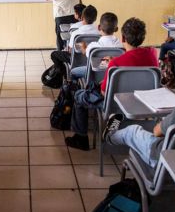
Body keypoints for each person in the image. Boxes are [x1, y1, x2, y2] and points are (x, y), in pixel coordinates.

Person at [65, 17, 159, 150]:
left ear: (123, 38)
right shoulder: (152, 53)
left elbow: (104, 93)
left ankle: (81, 138)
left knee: (80, 96)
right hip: (144, 104)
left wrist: (114, 63)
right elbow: (134, 58)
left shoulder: (116, 64)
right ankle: (119, 119)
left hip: (116, 105)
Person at [69, 12, 121, 82]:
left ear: (99, 27)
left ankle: (77, 90)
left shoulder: (93, 46)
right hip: (114, 76)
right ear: (116, 29)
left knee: (72, 72)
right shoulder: (121, 46)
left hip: (94, 76)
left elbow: (85, 53)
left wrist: (83, 46)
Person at [49, 5, 98, 74]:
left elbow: (70, 50)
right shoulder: (98, 32)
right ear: (95, 18)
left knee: (54, 54)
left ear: (82, 17)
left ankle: (63, 74)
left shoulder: (76, 33)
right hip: (93, 60)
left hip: (77, 60)